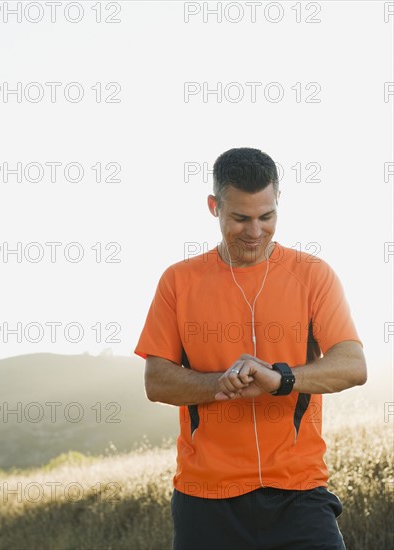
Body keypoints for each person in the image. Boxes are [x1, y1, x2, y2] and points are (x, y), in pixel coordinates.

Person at [134, 147, 367, 550]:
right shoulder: (178, 281)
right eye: (240, 218)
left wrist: (281, 379)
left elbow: (353, 365)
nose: (255, 231)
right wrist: (220, 384)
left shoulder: (314, 275)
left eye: (267, 216)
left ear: (279, 204)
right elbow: (157, 381)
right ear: (214, 207)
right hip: (205, 498)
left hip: (299, 493)